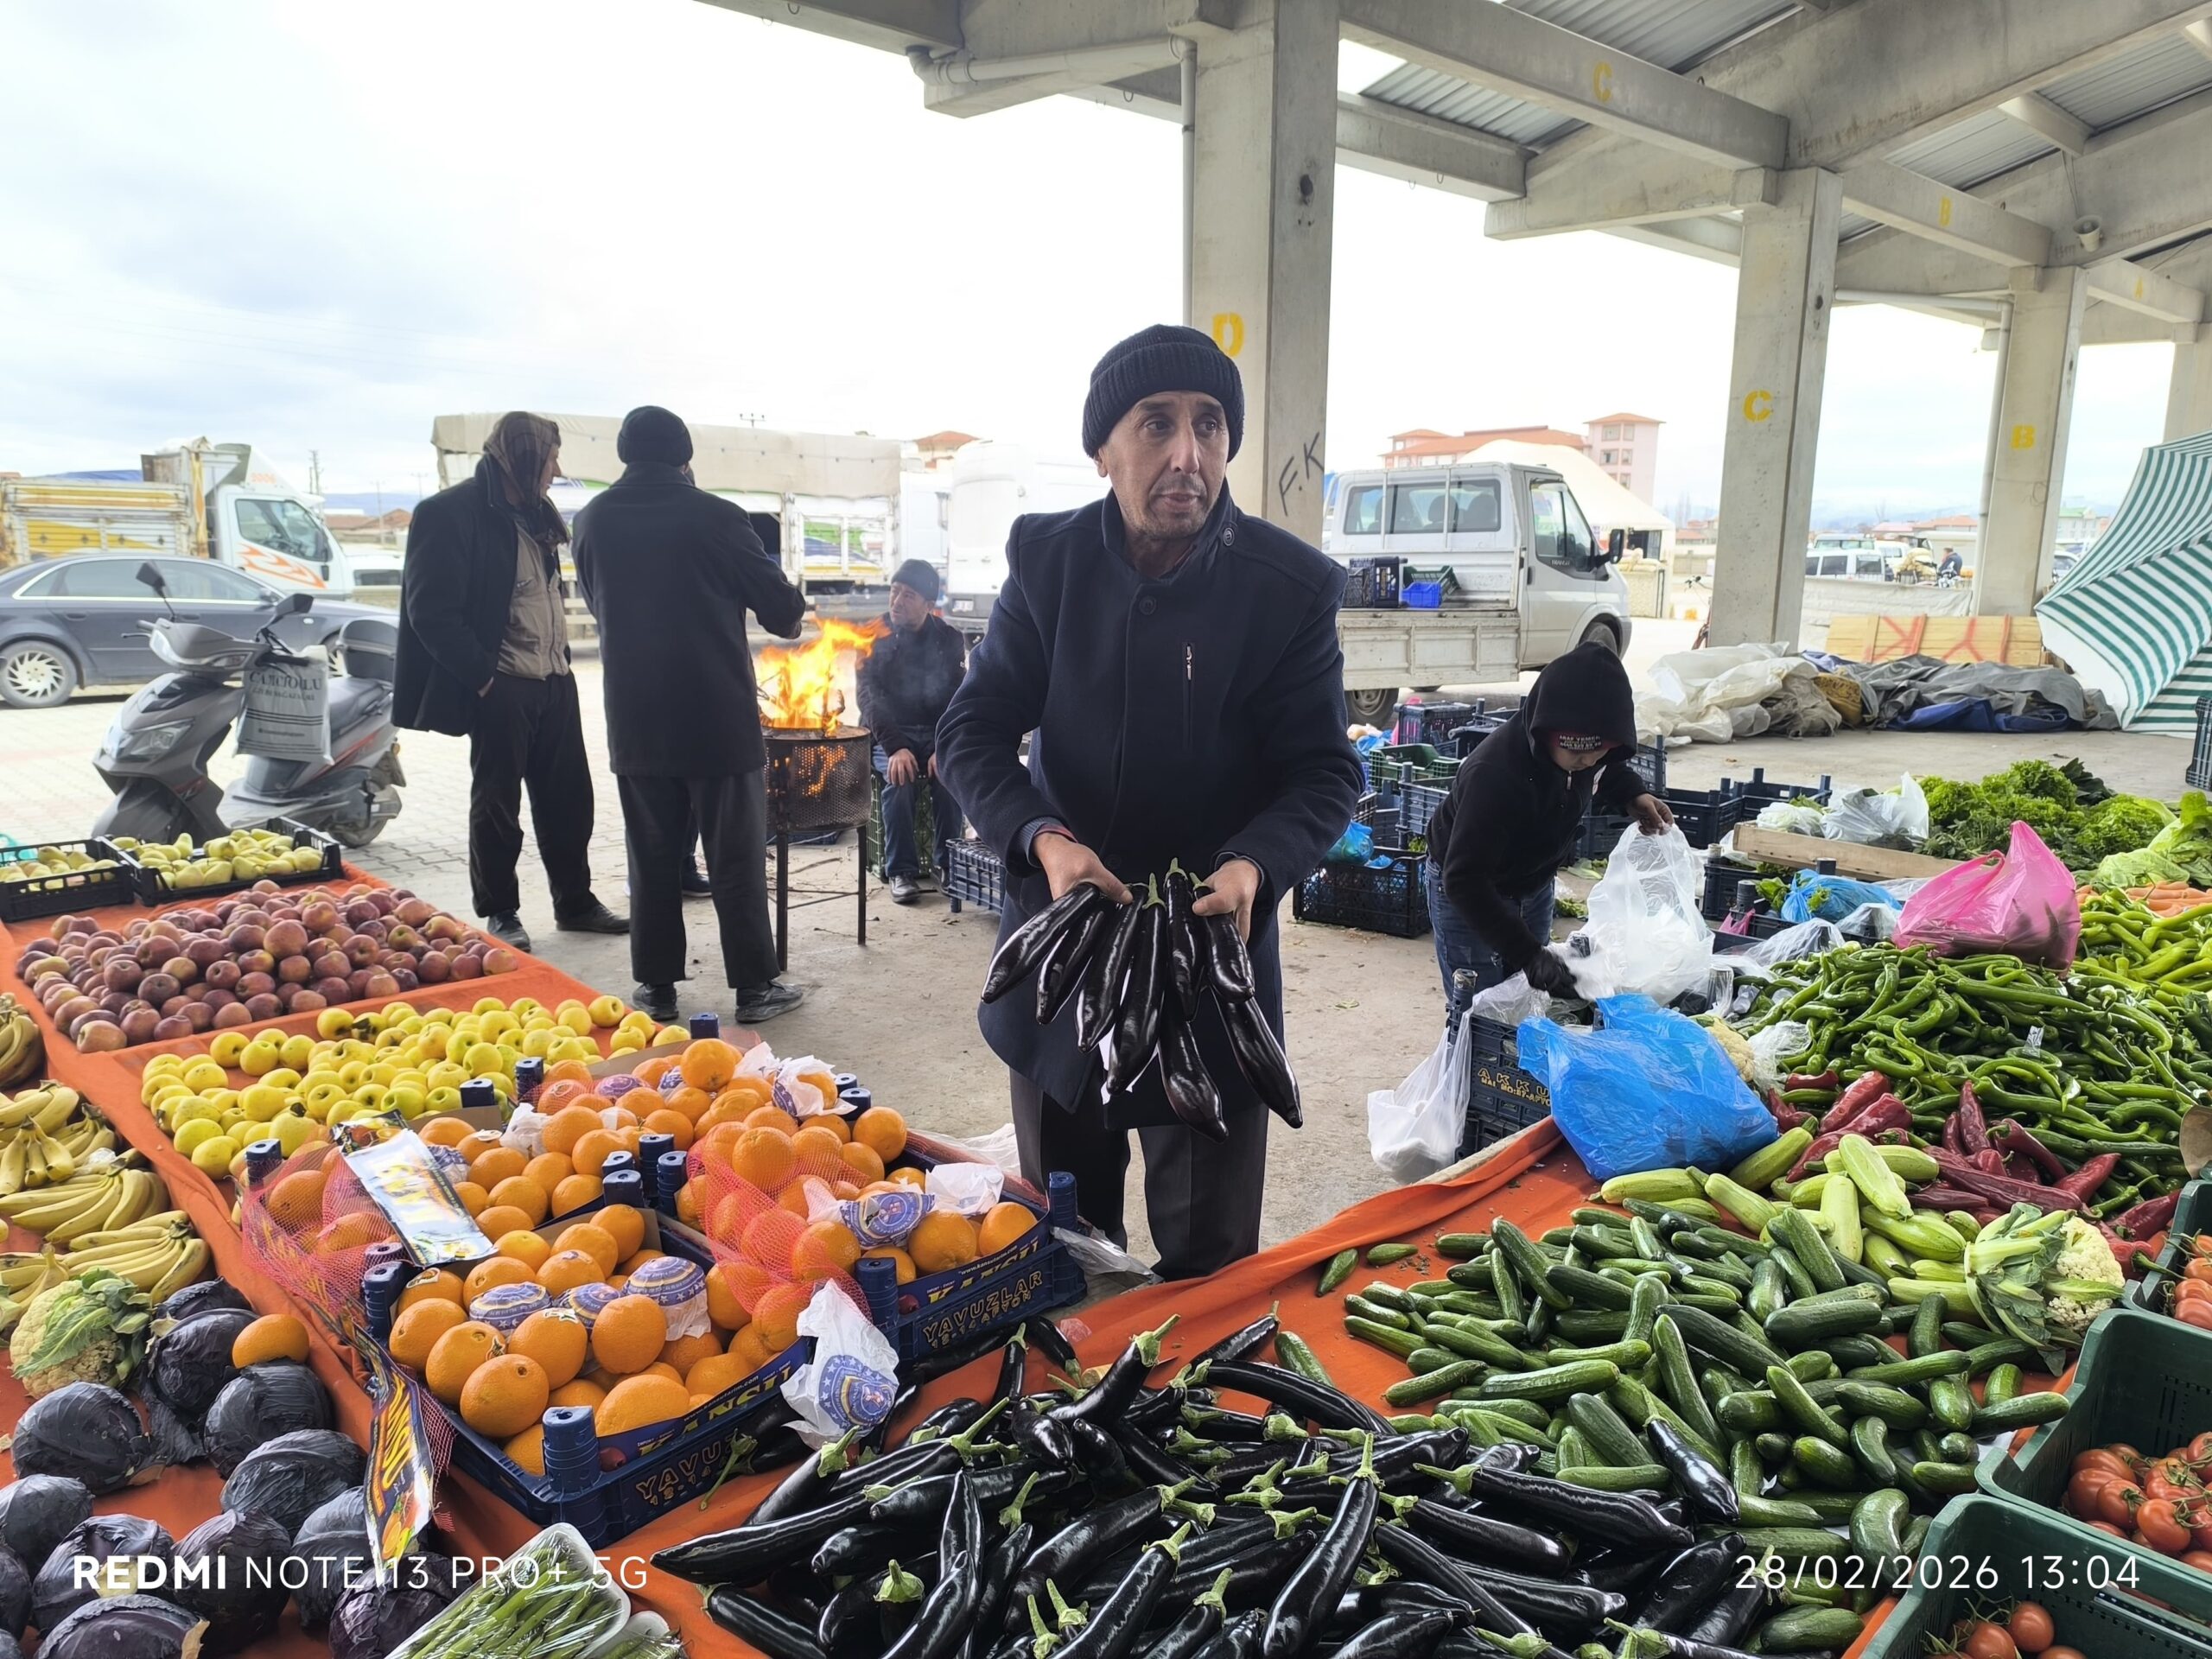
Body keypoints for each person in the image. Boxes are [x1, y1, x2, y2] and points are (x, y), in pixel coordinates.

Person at [937, 323, 1363, 1281]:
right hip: (1064, 948)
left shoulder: (1287, 591)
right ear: (1103, 449)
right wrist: (1041, 837)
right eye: (1156, 423)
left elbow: (1325, 771)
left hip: (1209, 961)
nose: (1187, 454)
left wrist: (1256, 862)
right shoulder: (1047, 564)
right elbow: (971, 730)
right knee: (1067, 1246)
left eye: (1210, 426)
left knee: (1208, 1264)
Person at [572, 406, 810, 1026]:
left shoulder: (592, 520)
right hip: (715, 720)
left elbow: (599, 605)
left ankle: (656, 989)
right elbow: (783, 614)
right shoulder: (717, 517)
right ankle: (755, 989)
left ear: (625, 456)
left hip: (636, 719)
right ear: (686, 459)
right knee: (732, 858)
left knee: (650, 858)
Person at [394, 411, 627, 952]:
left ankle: (576, 902)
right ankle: (501, 911)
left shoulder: (535, 512)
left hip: (554, 678)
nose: (555, 470)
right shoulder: (449, 514)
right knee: (497, 804)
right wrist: (482, 681)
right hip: (502, 684)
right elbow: (430, 611)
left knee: (570, 800)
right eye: (550, 458)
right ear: (524, 459)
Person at [1424, 640, 1673, 1027]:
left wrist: (1633, 795)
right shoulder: (1494, 775)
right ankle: (1470, 1079)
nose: (1589, 761)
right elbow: (1464, 879)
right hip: (1468, 887)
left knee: (1525, 999)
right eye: (1579, 754)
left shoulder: (1584, 751)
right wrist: (1529, 954)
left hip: (1533, 882)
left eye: (1600, 752)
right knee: (1480, 1009)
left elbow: (1606, 769)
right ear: (1546, 732)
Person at [857, 559, 968, 904]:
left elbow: (956, 697)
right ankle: (901, 871)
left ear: (928, 605)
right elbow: (868, 700)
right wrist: (895, 748)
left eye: (908, 594)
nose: (897, 601)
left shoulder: (948, 639)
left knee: (949, 778)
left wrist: (941, 746)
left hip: (933, 733)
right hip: (889, 734)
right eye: (894, 591)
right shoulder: (871, 635)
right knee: (900, 780)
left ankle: (947, 865)